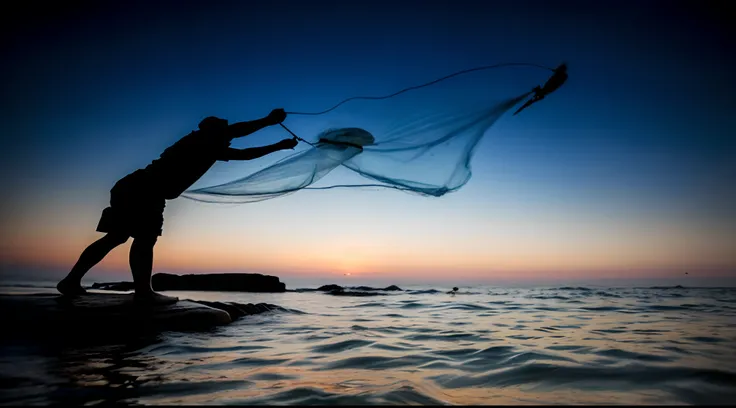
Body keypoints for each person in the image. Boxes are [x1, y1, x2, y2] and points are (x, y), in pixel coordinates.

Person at [56, 109, 297, 304]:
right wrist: (269, 123)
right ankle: (143, 293)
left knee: (117, 237)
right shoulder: (202, 141)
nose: (229, 133)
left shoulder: (207, 145)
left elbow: (242, 150)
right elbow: (241, 142)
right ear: (212, 129)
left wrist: (277, 143)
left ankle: (72, 281)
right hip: (145, 190)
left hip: (132, 187)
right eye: (224, 129)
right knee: (143, 239)